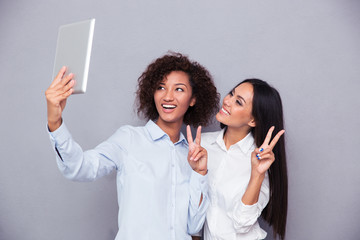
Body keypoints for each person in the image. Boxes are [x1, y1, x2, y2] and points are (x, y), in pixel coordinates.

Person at [45, 52, 220, 240]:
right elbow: (79, 168)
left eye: (179, 89)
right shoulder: (128, 139)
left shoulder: (192, 155)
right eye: (161, 87)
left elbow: (193, 226)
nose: (168, 96)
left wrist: (200, 173)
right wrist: (55, 122)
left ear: (193, 99)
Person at [198, 79, 288, 240]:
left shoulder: (261, 160)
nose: (227, 101)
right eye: (231, 94)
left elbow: (243, 222)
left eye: (238, 102)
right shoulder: (203, 144)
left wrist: (257, 175)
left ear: (253, 120)